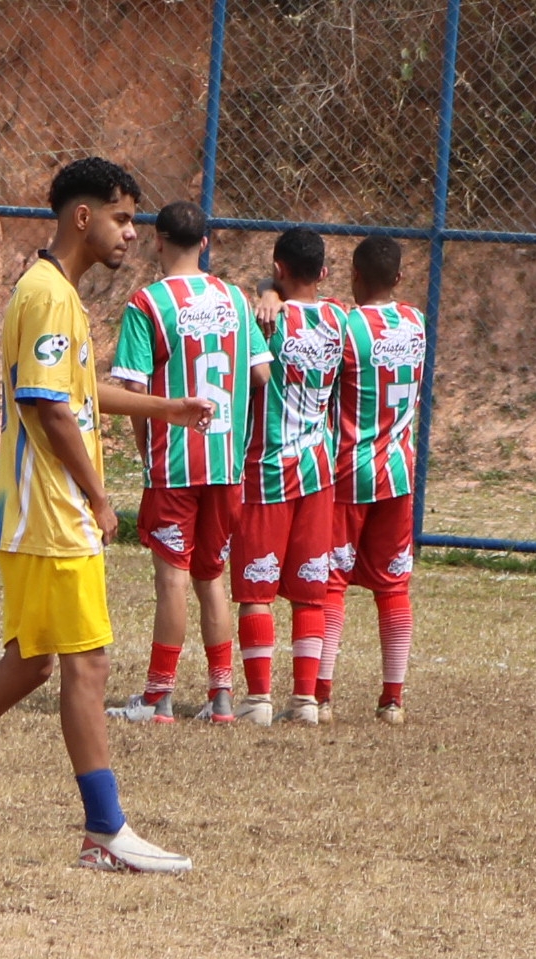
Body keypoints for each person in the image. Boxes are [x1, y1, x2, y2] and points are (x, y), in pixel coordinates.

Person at [0, 158, 213, 873]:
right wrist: (98, 496)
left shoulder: (53, 292)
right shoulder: (50, 296)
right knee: (89, 664)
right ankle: (105, 832)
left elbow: (75, 392)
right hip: (54, 514)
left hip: (32, 514)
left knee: (30, 664)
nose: (130, 233)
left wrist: (166, 408)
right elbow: (50, 409)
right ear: (83, 217)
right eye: (121, 218)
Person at [105, 200, 269, 726]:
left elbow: (132, 390)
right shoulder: (236, 300)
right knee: (211, 577)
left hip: (175, 463)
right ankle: (221, 697)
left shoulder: (148, 303)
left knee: (172, 580)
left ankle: (159, 698)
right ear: (205, 242)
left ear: (157, 240)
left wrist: (146, 449)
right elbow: (262, 375)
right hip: (225, 462)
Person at [230, 228, 347, 727]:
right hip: (319, 471)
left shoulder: (264, 322)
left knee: (255, 589)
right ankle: (305, 701)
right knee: (310, 591)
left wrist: (266, 293)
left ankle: (258, 699)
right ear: (324, 272)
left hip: (267, 469)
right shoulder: (339, 318)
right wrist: (272, 289)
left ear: (279, 268)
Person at [317, 236, 427, 726]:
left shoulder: (346, 325)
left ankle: (321, 695)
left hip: (349, 471)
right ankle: (392, 700)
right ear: (399, 278)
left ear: (354, 275)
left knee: (332, 583)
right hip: (399, 472)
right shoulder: (416, 322)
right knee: (394, 586)